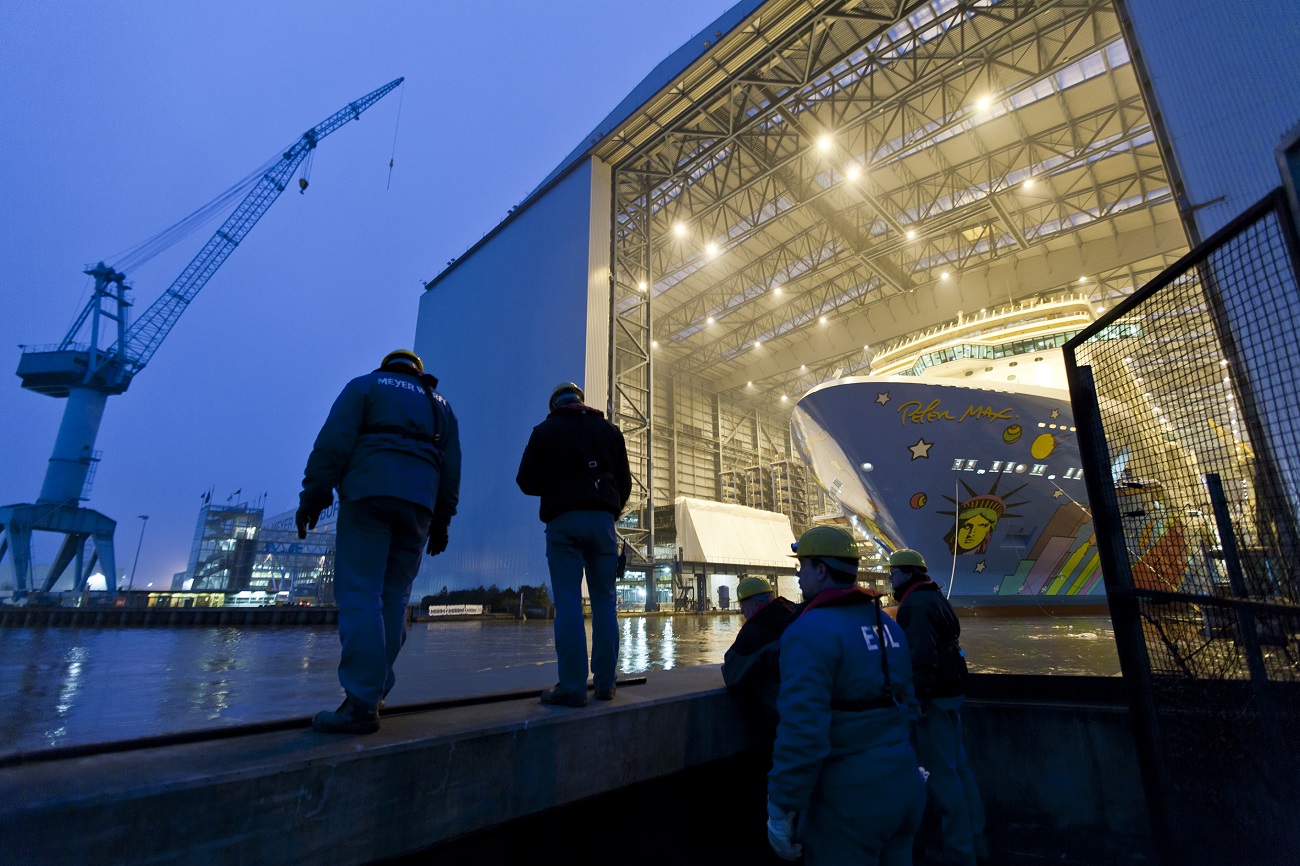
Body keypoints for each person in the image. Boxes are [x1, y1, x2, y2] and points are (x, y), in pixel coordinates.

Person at [297, 348, 461, 734]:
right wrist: (442, 522)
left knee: (360, 593)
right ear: (418, 372)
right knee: (394, 597)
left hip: (369, 496)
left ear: (387, 366)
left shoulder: (365, 386)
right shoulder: (441, 406)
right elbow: (452, 469)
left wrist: (314, 497)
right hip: (418, 508)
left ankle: (360, 703)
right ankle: (374, 692)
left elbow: (333, 444)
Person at [767, 526, 925, 865]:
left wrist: (782, 805)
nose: (798, 577)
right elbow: (910, 704)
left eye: (802, 567)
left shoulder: (809, 631)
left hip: (850, 802)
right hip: (905, 782)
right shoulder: (887, 624)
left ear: (821, 569)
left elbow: (802, 731)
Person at [516, 381, 631, 708]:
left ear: (555, 406)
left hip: (563, 522)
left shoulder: (545, 431)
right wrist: (609, 510)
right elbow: (625, 483)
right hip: (603, 523)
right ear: (581, 401)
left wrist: (556, 486)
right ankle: (606, 684)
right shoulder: (610, 432)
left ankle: (572, 686)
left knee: (567, 602)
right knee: (606, 602)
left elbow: (525, 480)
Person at [890, 548, 986, 865]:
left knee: (943, 778)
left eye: (893, 572)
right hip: (952, 692)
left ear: (905, 573)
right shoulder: (935, 596)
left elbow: (919, 656)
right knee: (960, 768)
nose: (890, 577)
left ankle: (960, 853)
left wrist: (916, 699)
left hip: (934, 698)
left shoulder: (914, 604)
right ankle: (976, 838)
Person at [722, 575, 798, 729]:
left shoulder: (755, 631)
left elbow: (731, 674)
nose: (743, 613)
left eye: (743, 606)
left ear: (755, 603)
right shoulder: (794, 614)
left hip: (782, 717)